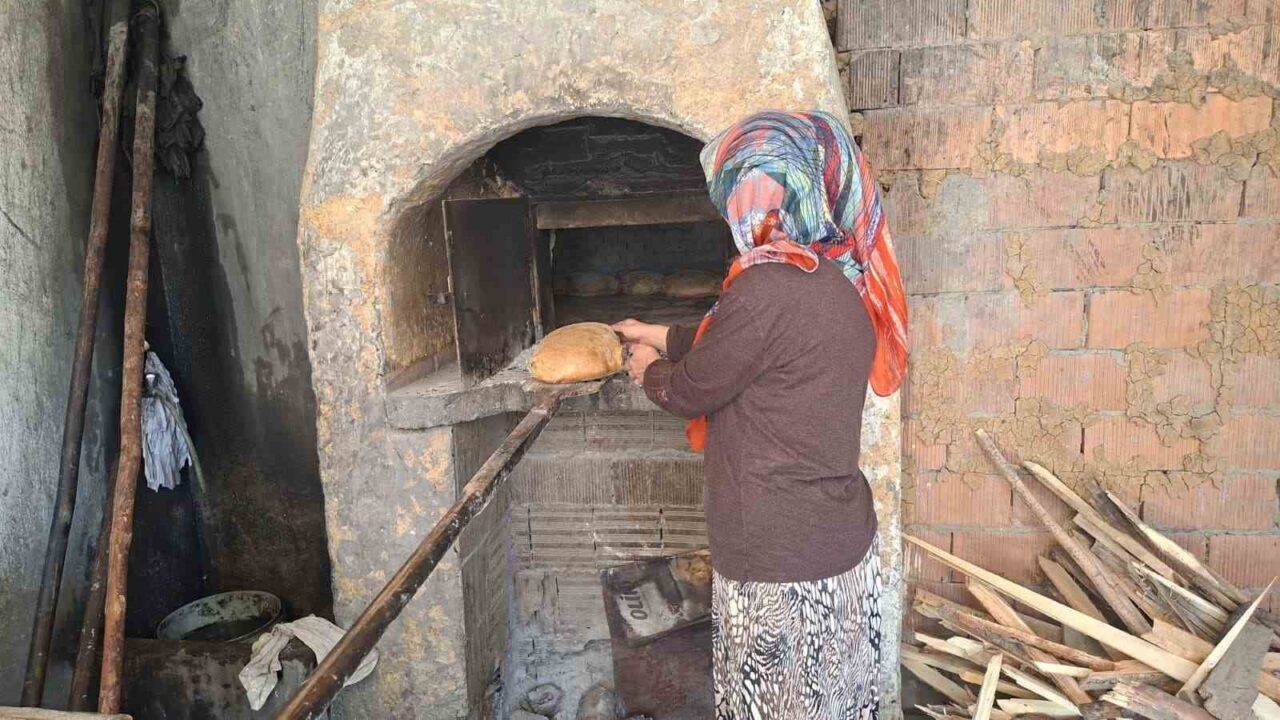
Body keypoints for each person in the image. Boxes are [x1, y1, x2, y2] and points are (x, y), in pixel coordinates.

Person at [612, 110, 908, 720]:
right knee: (832, 700)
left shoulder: (765, 286)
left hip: (778, 555)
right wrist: (658, 333)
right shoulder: (834, 279)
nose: (734, 210)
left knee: (775, 705)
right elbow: (741, 344)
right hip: (837, 540)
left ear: (762, 193)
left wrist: (647, 370)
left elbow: (694, 388)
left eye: (739, 190)